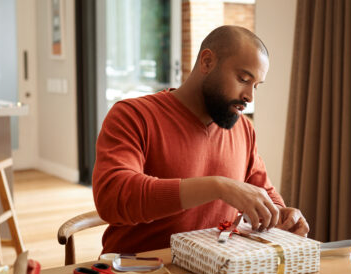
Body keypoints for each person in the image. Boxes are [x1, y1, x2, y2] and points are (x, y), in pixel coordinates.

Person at [93, 25, 309, 254]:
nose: (249, 96)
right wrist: (219, 186)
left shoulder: (243, 128)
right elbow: (113, 198)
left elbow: (263, 192)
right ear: (207, 62)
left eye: (255, 85)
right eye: (243, 79)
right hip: (134, 273)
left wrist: (280, 214)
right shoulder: (133, 115)